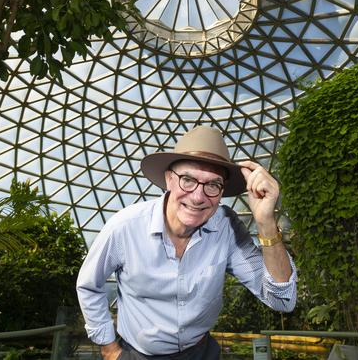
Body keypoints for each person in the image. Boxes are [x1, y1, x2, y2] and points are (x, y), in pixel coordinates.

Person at [76, 125, 297, 359]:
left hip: (202, 352)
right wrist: (110, 349)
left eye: (212, 185)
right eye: (188, 180)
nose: (198, 197)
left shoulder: (226, 228)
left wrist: (265, 222)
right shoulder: (125, 227)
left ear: (221, 191)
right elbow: (89, 285)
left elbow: (282, 299)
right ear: (169, 179)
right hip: (137, 354)